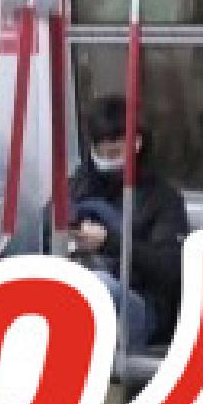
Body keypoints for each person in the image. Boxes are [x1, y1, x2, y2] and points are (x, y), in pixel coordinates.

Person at [67, 95, 191, 353]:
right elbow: (46, 230)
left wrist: (108, 242)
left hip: (139, 302)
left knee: (98, 288)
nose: (107, 159)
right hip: (76, 283)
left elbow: (170, 269)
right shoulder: (77, 186)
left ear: (136, 144)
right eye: (100, 152)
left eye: (115, 152)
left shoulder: (162, 198)